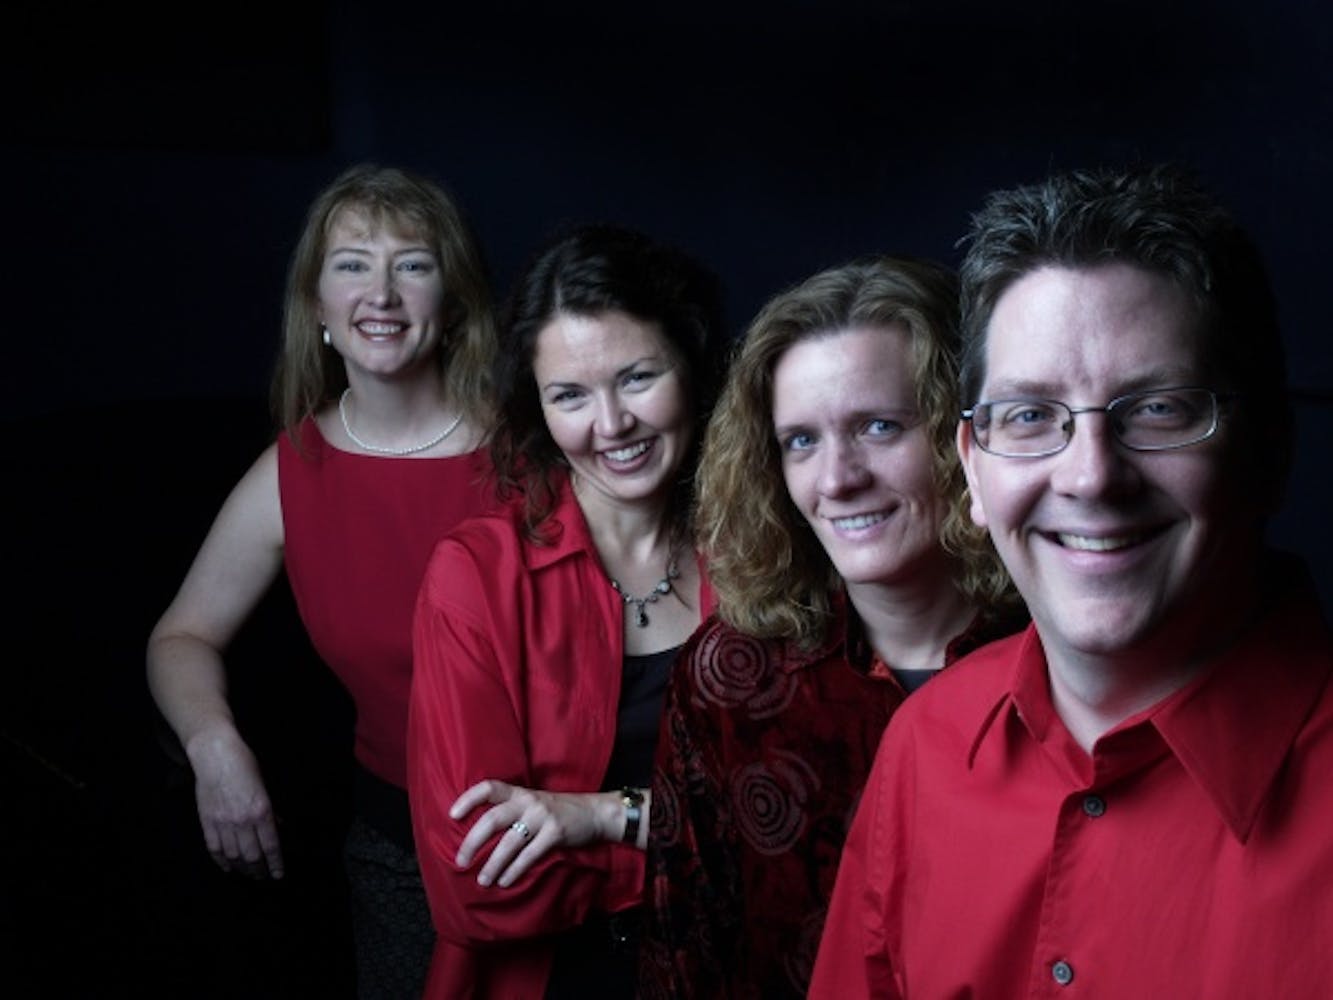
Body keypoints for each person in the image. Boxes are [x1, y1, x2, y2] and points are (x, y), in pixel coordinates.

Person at [809, 162, 1333, 998]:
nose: (1090, 477)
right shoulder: (925, 744)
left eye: (1157, 408)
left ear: (1268, 450)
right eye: (1028, 416)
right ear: (972, 470)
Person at [146, 163, 499, 999]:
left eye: (412, 264)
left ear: (451, 299)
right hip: (397, 847)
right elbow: (179, 636)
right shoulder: (294, 470)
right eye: (352, 265)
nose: (381, 293)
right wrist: (213, 747)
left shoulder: (531, 451)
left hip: (558, 832)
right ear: (317, 306)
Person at [636, 256, 1024, 999]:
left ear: (962, 434)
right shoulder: (727, 678)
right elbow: (683, 953)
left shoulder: (1064, 657)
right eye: (801, 441)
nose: (839, 478)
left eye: (879, 426)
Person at [407, 223, 729, 999]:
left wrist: (597, 817)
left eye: (637, 377)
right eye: (569, 396)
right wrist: (702, 847)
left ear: (691, 367)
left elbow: (828, 817)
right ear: (537, 408)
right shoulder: (476, 576)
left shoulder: (763, 553)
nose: (611, 425)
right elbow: (475, 885)